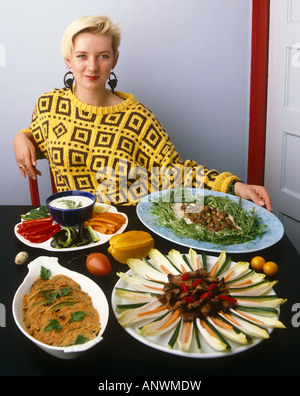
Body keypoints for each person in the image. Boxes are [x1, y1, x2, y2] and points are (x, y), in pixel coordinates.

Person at [13, 15, 272, 211]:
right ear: (68, 60)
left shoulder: (136, 118)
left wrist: (234, 186)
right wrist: (21, 137)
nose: (92, 66)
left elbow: (178, 172)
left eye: (102, 56)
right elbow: (40, 140)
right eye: (82, 56)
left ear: (114, 60)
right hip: (68, 225)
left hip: (124, 225)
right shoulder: (48, 106)